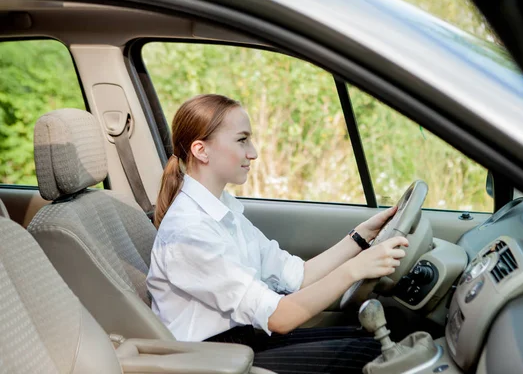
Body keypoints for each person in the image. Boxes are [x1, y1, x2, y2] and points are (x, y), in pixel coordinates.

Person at [147, 94, 409, 373]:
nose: (254, 152)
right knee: (372, 352)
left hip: (242, 343)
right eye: (241, 140)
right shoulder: (189, 231)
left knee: (379, 333)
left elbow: (297, 275)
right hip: (214, 361)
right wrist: (355, 270)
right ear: (201, 150)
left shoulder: (223, 211)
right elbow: (279, 317)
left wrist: (360, 237)